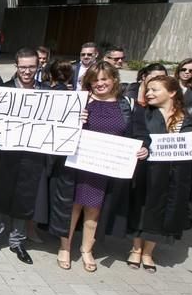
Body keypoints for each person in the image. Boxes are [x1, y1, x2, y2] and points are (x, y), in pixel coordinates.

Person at [48, 62, 137, 272]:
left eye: (104, 79)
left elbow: (134, 134)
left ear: (114, 79)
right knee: (71, 208)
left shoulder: (126, 104)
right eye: (95, 80)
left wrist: (142, 149)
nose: (100, 83)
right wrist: (75, 120)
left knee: (93, 211)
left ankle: (87, 249)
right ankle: (65, 247)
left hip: (103, 168)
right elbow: (60, 129)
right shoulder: (81, 101)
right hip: (77, 165)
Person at [129, 76, 192, 273]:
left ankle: (149, 252)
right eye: (148, 90)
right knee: (142, 210)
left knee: (165, 212)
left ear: (172, 92)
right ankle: (136, 248)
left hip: (177, 176)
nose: (149, 93)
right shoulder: (143, 114)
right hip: (149, 173)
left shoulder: (191, 115)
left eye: (155, 90)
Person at [0, 48, 47, 265]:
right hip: (5, 153)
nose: (27, 71)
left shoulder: (48, 93)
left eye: (31, 67)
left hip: (32, 155)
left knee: (25, 196)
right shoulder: (2, 91)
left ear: (38, 66)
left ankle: (17, 242)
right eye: (23, 67)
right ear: (16, 67)